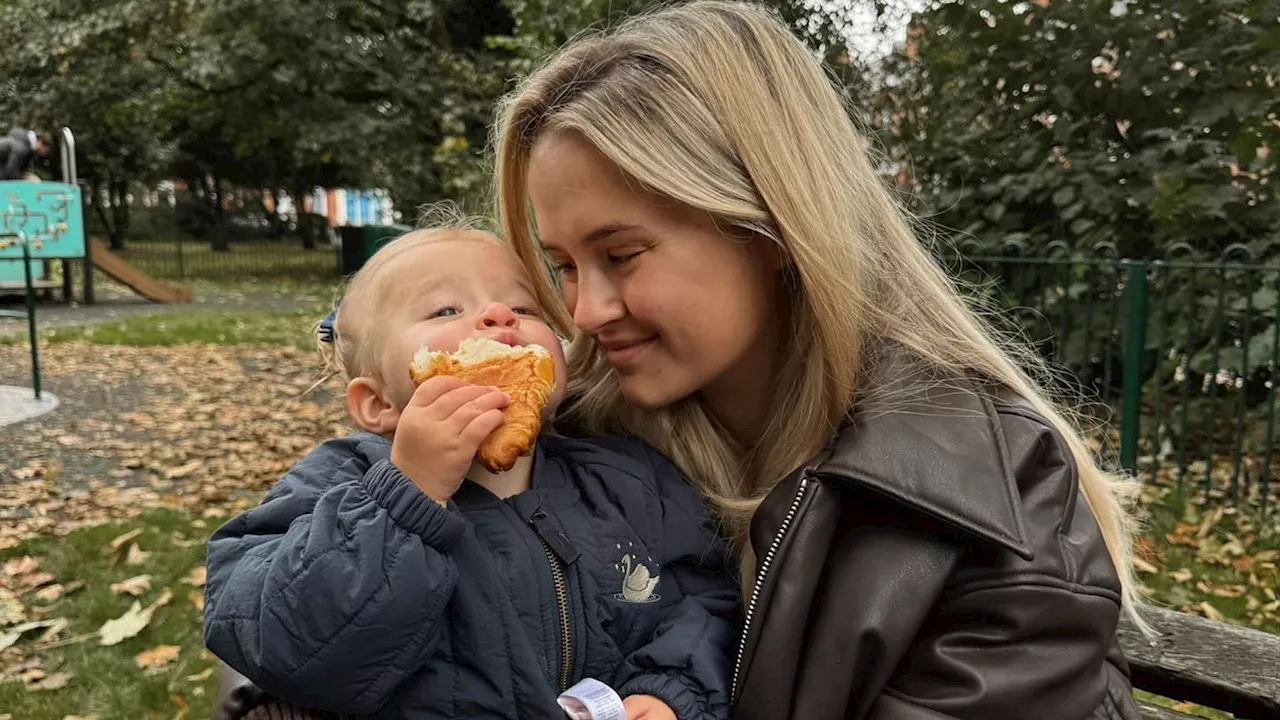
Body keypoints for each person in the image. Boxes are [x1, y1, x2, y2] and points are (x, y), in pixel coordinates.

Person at [492, 2, 1146, 718]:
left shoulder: (993, 503)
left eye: (621, 255)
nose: (584, 313)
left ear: (769, 227)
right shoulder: (568, 445)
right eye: (564, 266)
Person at [203, 220, 739, 720]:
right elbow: (285, 644)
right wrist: (406, 498)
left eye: (525, 308)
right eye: (443, 311)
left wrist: (672, 691)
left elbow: (707, 598)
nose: (500, 318)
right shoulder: (334, 488)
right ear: (377, 405)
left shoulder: (625, 478)